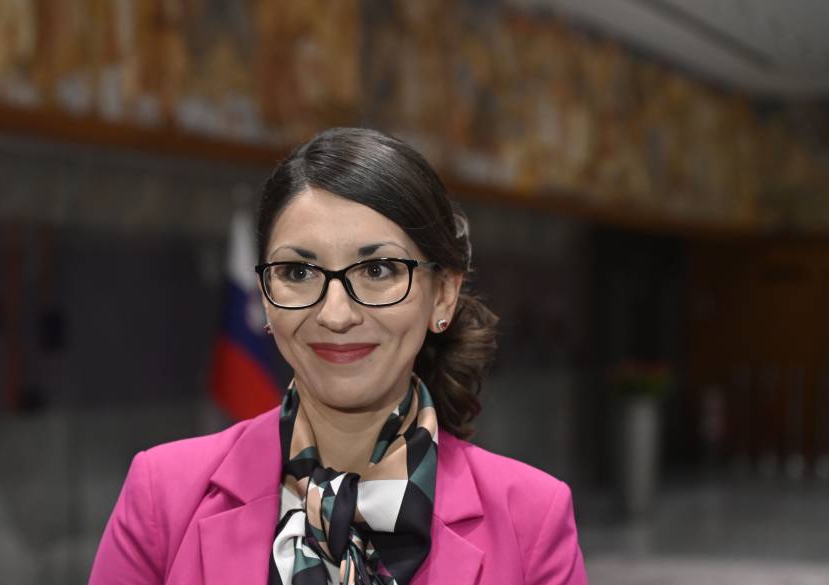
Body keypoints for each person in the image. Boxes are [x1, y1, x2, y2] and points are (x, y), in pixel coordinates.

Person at [88, 127, 589, 584]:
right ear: (265, 296)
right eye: (298, 273)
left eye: (378, 270)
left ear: (442, 295)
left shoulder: (531, 519)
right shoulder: (163, 497)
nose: (336, 314)